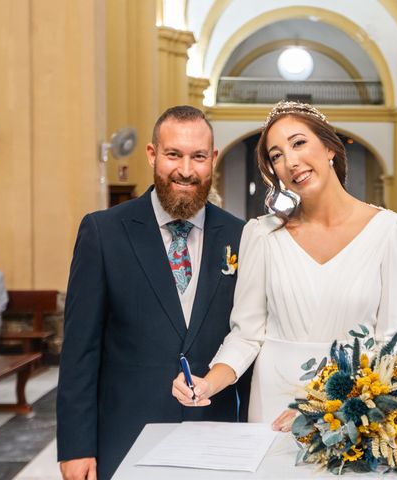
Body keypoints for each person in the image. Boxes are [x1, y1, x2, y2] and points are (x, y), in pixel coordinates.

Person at [171, 101, 397, 429]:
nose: (290, 161)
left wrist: (332, 408)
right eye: (276, 155)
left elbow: (396, 345)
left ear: (330, 147)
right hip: (273, 406)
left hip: (353, 414)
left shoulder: (391, 231)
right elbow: (247, 335)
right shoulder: (262, 235)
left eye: (299, 143)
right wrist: (208, 382)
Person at [56, 106, 248, 480]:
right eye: (173, 154)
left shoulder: (240, 235)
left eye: (198, 157)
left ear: (213, 159)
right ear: (152, 154)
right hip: (126, 434)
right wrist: (76, 447)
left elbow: (249, 337)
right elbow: (80, 350)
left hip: (216, 434)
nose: (186, 171)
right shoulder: (104, 232)